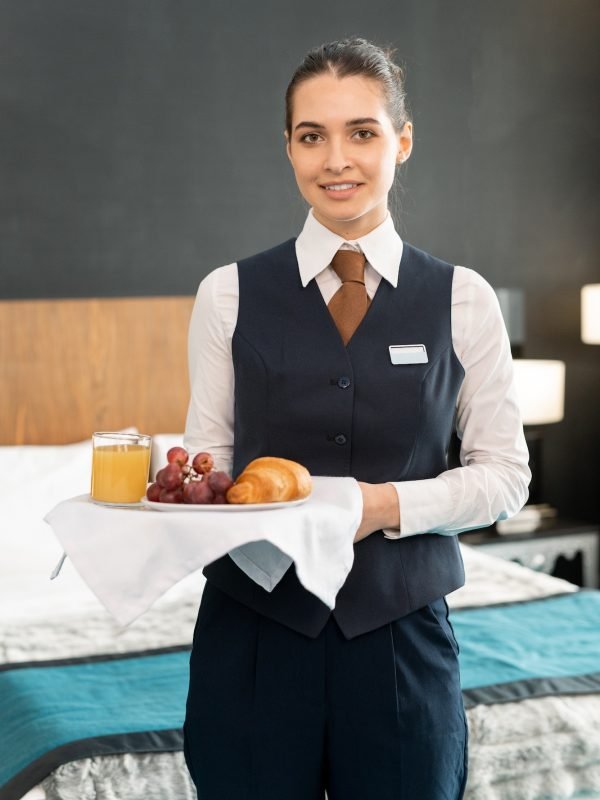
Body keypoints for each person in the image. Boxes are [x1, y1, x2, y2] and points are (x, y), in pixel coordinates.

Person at [182, 36, 530, 800]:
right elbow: (206, 464)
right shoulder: (227, 295)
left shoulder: (464, 299)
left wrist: (382, 508)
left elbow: (507, 478)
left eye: (362, 133)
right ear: (289, 149)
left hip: (403, 639)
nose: (336, 159)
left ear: (401, 142)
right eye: (313, 136)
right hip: (254, 640)